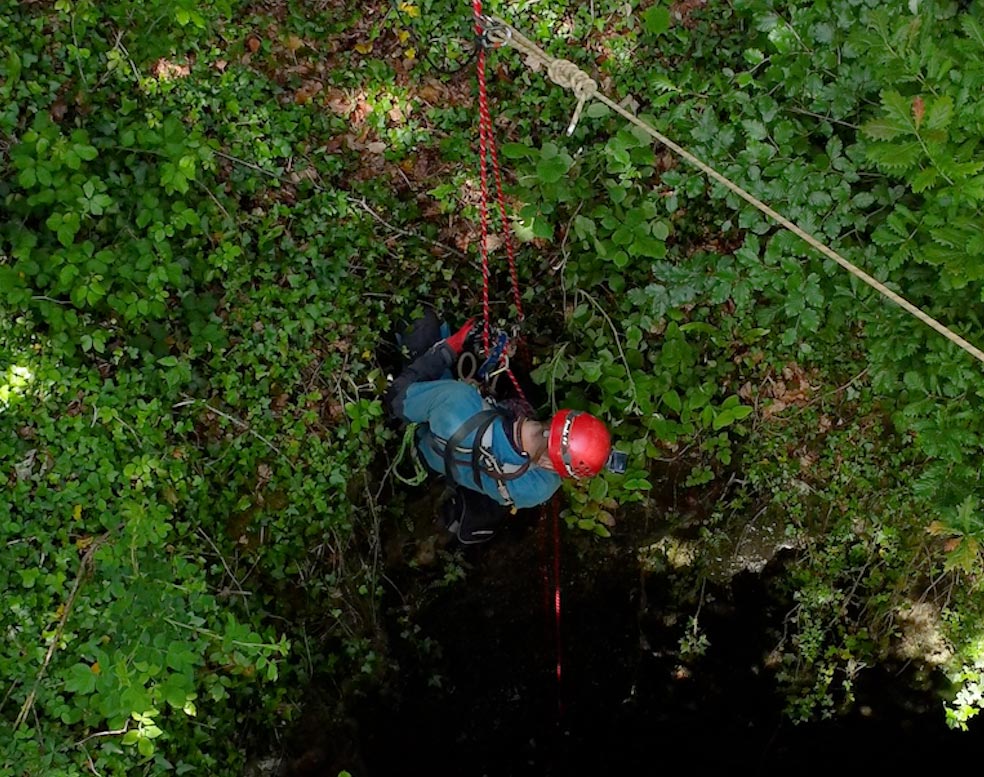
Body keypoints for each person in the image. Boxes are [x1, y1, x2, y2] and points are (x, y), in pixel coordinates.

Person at [384, 308, 618, 545]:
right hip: (451, 460)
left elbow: (395, 399)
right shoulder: (540, 489)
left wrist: (450, 348)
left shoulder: (457, 404)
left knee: (419, 322)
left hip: (431, 434)